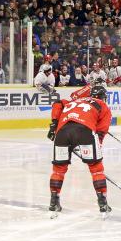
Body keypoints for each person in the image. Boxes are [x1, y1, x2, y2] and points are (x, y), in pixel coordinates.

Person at [47, 83, 112, 217]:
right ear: (102, 97)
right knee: (96, 168)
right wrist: (92, 151)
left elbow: (58, 104)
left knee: (58, 170)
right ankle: (103, 202)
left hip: (62, 133)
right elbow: (100, 132)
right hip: (85, 131)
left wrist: (53, 126)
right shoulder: (103, 105)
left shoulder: (75, 100)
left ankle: (54, 202)